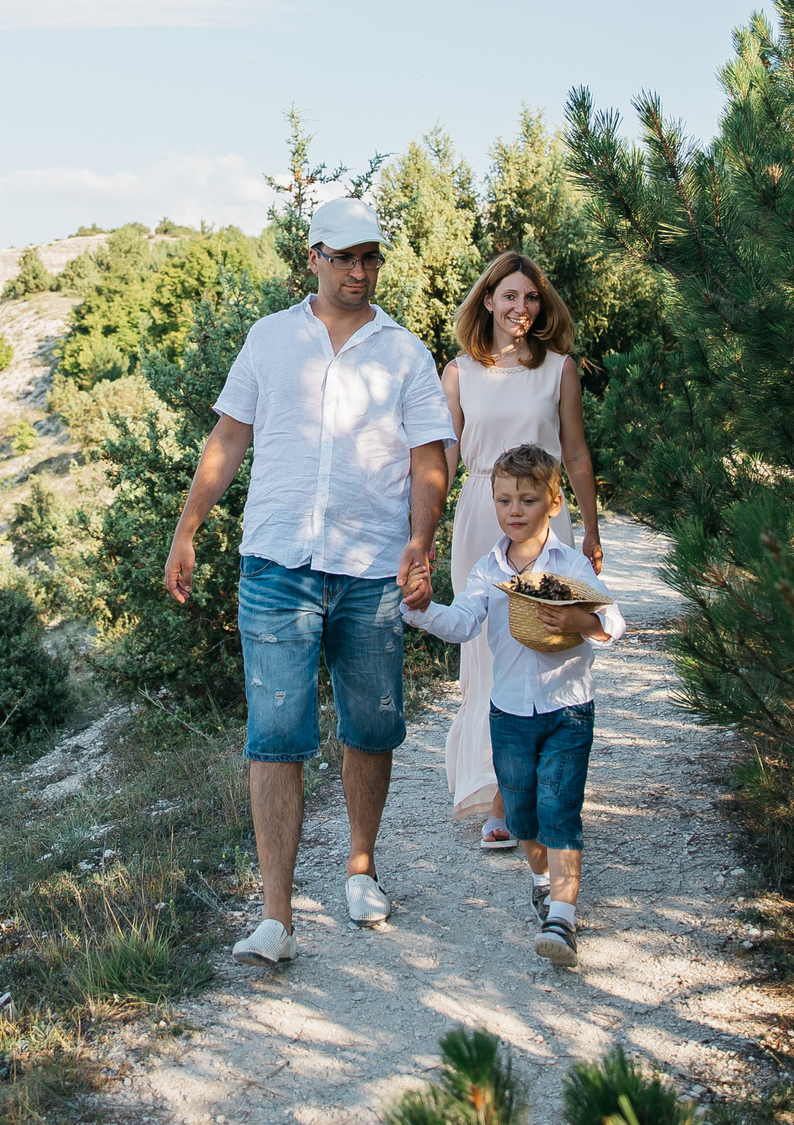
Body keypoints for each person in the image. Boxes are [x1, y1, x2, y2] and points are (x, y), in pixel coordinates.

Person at [162, 195, 454, 968]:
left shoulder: (405, 353)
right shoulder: (269, 339)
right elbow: (229, 436)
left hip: (370, 568)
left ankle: (361, 869)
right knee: (276, 737)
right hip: (277, 565)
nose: (360, 271)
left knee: (370, 725)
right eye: (346, 256)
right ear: (314, 255)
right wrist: (188, 526)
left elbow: (432, 457)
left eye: (371, 258)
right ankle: (276, 917)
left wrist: (422, 540)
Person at [401, 442, 620, 968]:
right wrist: (425, 608)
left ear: (554, 502)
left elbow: (615, 623)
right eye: (504, 501)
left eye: (526, 500)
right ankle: (543, 881)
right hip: (510, 714)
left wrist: (580, 623)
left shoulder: (569, 566)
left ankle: (563, 918)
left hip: (568, 707)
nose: (514, 511)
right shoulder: (487, 570)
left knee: (559, 809)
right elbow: (463, 624)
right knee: (522, 813)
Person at [438, 251, 601, 847]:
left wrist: (589, 526)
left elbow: (576, 452)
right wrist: (422, 531)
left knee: (541, 644)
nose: (521, 308)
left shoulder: (559, 369)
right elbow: (445, 459)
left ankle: (539, 784)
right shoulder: (458, 372)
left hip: (542, 519)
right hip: (482, 510)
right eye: (509, 296)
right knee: (485, 652)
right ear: (487, 300)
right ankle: (498, 794)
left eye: (531, 298)